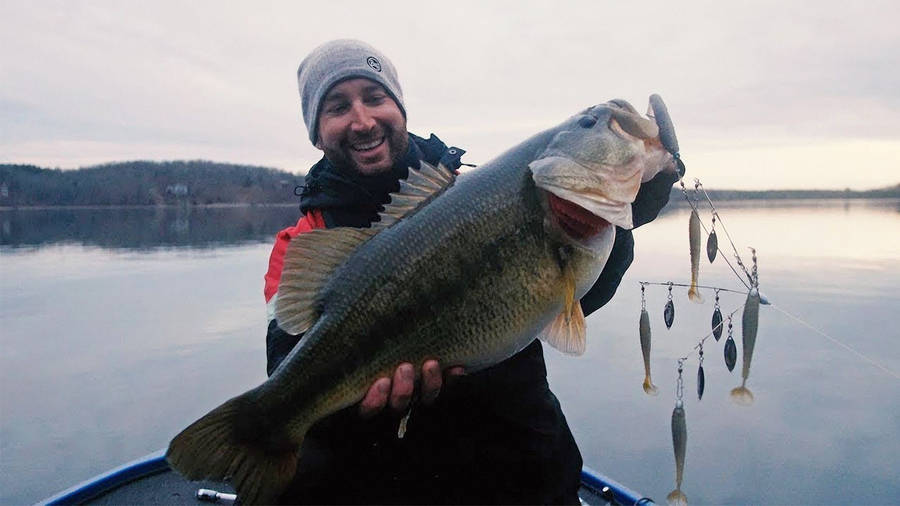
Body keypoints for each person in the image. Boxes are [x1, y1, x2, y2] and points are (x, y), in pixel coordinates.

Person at [262, 39, 677, 505]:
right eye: (338, 107)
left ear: (399, 108)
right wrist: (355, 411)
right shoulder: (302, 243)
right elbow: (290, 370)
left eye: (375, 98)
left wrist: (619, 226)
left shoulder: (472, 193)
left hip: (525, 473)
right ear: (316, 132)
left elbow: (568, 300)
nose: (362, 120)